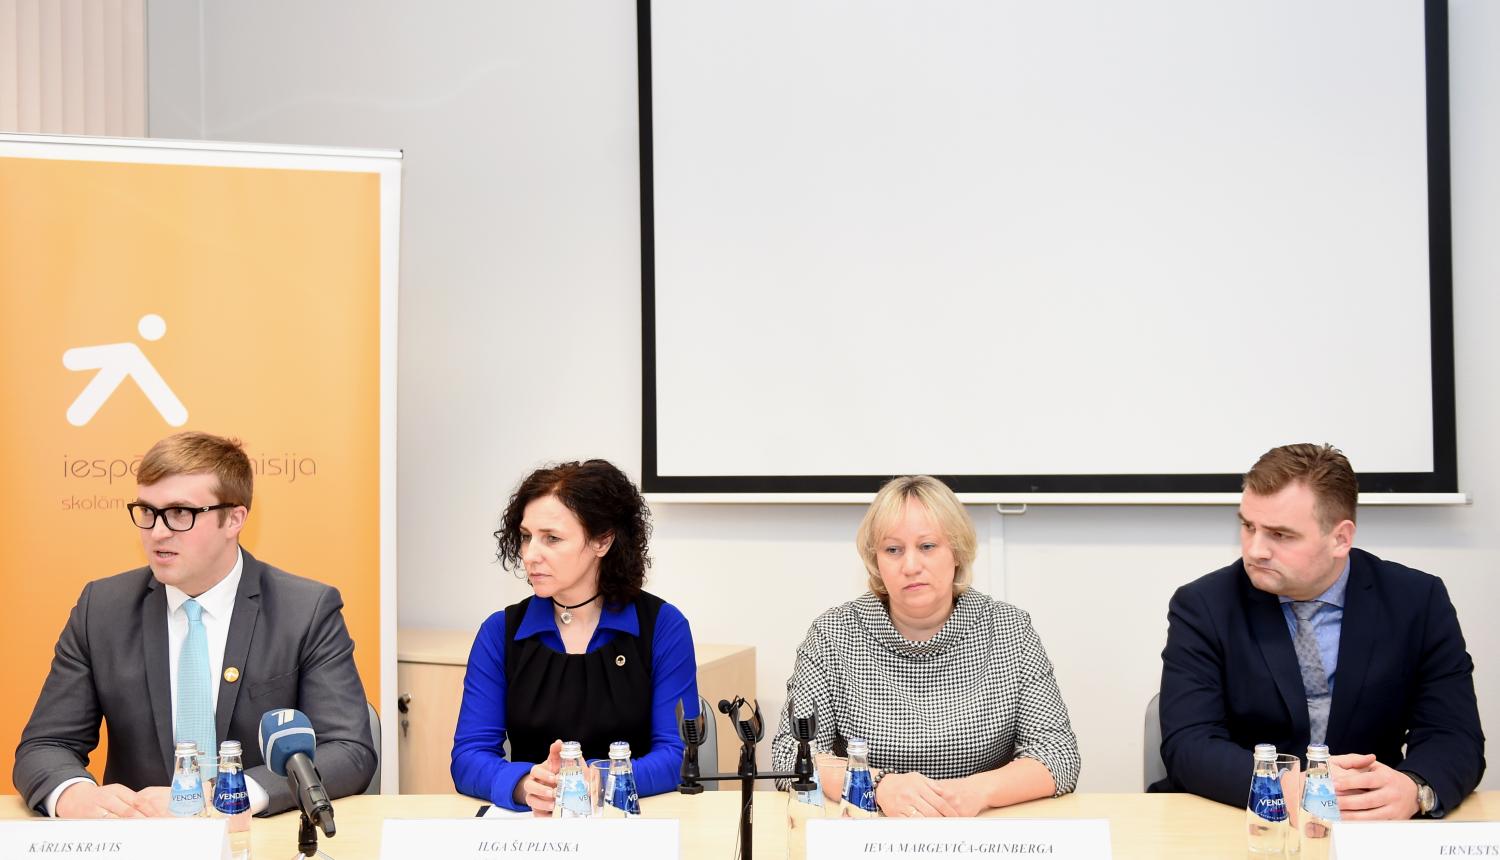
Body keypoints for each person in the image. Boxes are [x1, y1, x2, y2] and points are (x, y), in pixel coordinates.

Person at [13, 431, 376, 818]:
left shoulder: (304, 610)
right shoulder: (102, 609)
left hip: (257, 837)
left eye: (180, 513)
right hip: (140, 836)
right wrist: (73, 794)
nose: (158, 532)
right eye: (147, 511)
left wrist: (229, 794)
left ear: (233, 519)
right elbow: (45, 745)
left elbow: (348, 750)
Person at [1154, 443, 1485, 817]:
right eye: (1248, 526)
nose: (1256, 550)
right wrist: (1282, 786)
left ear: (1341, 538)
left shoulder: (1416, 602)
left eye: (1280, 535)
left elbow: (1454, 734)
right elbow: (1189, 743)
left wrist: (1416, 789)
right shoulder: (1204, 605)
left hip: (1369, 820)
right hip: (1243, 818)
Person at [771, 475, 1080, 817]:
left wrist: (976, 792)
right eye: (893, 550)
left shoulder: (1009, 630)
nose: (911, 566)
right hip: (871, 829)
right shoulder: (833, 635)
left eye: (928, 546)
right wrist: (876, 785)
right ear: (876, 561)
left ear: (957, 552)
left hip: (980, 827)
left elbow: (1057, 755)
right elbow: (790, 756)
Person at [451, 460, 698, 812]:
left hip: (632, 818)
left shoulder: (662, 626)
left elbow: (678, 754)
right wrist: (523, 784)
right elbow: (468, 756)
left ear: (602, 540)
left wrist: (601, 779)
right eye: (526, 537)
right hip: (534, 824)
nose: (530, 555)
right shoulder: (500, 632)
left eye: (552, 538)